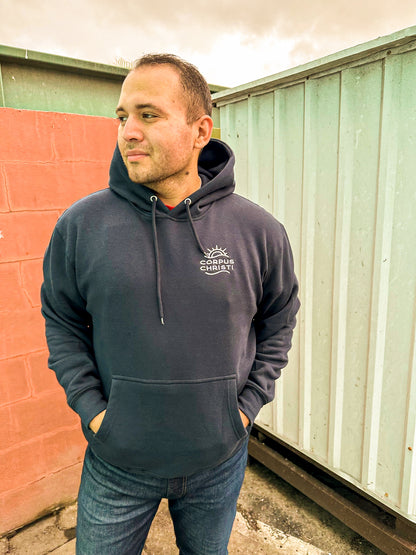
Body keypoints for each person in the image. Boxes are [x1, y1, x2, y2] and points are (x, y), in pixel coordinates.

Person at [41, 53, 300, 555]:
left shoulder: (258, 231)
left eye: (149, 115)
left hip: (218, 463)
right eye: (122, 117)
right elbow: (62, 320)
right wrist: (95, 412)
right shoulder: (80, 227)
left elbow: (279, 318)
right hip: (117, 464)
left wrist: (244, 410)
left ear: (201, 131)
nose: (128, 132)